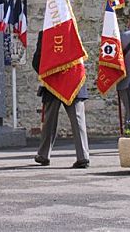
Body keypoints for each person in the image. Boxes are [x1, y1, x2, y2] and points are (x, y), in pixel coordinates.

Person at [32, 31, 90, 168]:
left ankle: (44, 155)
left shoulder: (45, 33)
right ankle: (83, 156)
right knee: (78, 121)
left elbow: (37, 61)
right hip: (74, 82)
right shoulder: (73, 30)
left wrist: (50, 74)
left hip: (53, 83)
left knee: (49, 122)